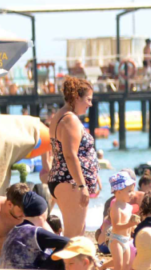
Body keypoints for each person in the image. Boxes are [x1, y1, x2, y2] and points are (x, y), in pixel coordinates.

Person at [49, 77, 100, 237]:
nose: (90, 104)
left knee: (76, 233)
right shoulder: (70, 119)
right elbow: (70, 156)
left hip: (64, 181)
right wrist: (82, 186)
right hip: (70, 183)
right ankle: (63, 262)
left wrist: (93, 175)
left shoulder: (61, 115)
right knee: (74, 237)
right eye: (88, 99)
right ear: (77, 97)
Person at [0, 187, 70, 270]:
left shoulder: (14, 229)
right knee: (67, 248)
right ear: (42, 214)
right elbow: (68, 242)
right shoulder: (35, 232)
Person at [107, 172, 138, 270]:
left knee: (126, 267)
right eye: (129, 191)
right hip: (116, 239)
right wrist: (131, 224)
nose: (132, 194)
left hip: (126, 239)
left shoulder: (129, 207)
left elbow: (128, 225)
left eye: (132, 190)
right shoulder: (116, 207)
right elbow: (116, 226)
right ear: (118, 191)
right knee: (118, 265)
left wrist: (134, 227)